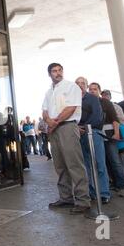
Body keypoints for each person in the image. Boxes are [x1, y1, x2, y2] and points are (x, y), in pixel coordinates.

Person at [42, 63, 91, 214]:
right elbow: (44, 111)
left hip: (67, 127)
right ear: (49, 74)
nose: (58, 73)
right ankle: (66, 198)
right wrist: (48, 121)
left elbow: (71, 109)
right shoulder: (49, 92)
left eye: (59, 70)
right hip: (54, 130)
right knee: (60, 165)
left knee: (74, 164)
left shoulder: (71, 87)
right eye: (54, 71)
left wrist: (53, 123)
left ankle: (83, 201)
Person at [89, 83, 124, 197]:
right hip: (96, 136)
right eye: (90, 89)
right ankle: (110, 183)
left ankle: (122, 185)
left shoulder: (106, 102)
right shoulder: (87, 102)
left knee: (115, 161)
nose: (92, 91)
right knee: (103, 162)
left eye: (95, 89)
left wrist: (116, 133)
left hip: (109, 135)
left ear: (99, 91)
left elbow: (115, 119)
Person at [76, 77, 111, 203]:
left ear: (86, 85)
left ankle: (104, 193)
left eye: (82, 83)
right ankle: (91, 192)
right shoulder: (72, 99)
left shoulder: (93, 98)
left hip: (93, 133)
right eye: (77, 83)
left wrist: (84, 127)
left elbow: (97, 116)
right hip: (78, 135)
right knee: (85, 165)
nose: (80, 85)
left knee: (99, 163)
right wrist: (76, 128)